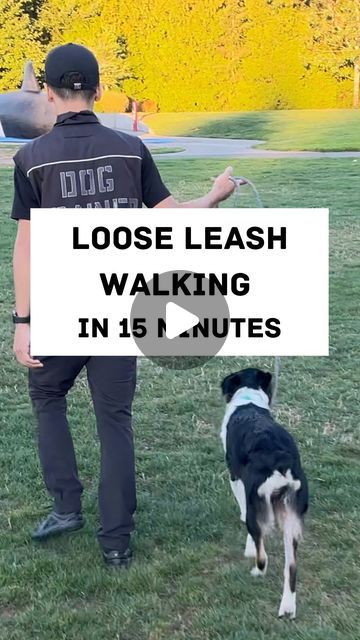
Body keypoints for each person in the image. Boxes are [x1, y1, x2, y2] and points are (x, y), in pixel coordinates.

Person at [11, 43, 236, 568]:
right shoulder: (130, 149)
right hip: (116, 308)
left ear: (46, 92)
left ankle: (67, 508)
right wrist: (213, 197)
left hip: (61, 311)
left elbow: (28, 245)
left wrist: (24, 321)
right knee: (115, 420)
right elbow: (172, 216)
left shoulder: (31, 159)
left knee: (48, 398)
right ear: (97, 89)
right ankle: (116, 541)